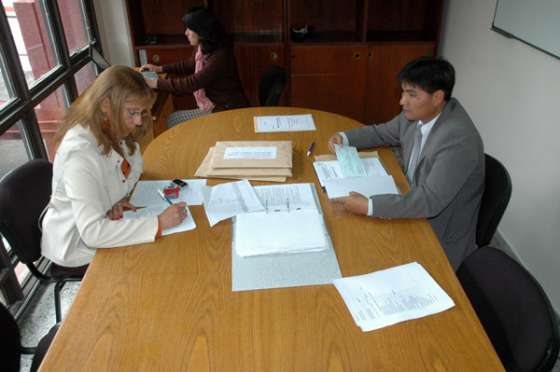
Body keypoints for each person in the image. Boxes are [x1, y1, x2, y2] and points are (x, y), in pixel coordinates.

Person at [328, 57, 484, 269]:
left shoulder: (458, 140)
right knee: (344, 234)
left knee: (361, 256)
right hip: (409, 200)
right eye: (403, 93)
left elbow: (429, 200)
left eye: (412, 95)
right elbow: (383, 132)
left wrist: (371, 206)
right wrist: (344, 138)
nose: (402, 101)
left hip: (436, 233)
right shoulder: (419, 114)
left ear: (438, 97)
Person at [41, 65, 187, 268]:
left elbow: (135, 164)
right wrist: (158, 223)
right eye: (132, 112)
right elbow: (92, 233)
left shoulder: (110, 128)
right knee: (158, 263)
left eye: (142, 112)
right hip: (76, 245)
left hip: (106, 222)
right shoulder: (79, 154)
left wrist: (119, 198)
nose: (138, 121)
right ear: (105, 104)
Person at [141, 7, 248, 126]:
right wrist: (160, 68)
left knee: (172, 120)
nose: (186, 33)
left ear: (202, 31)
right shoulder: (204, 47)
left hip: (226, 109)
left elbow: (192, 83)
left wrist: (155, 83)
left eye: (190, 29)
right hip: (215, 104)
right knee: (172, 119)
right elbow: (189, 64)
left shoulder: (220, 56)